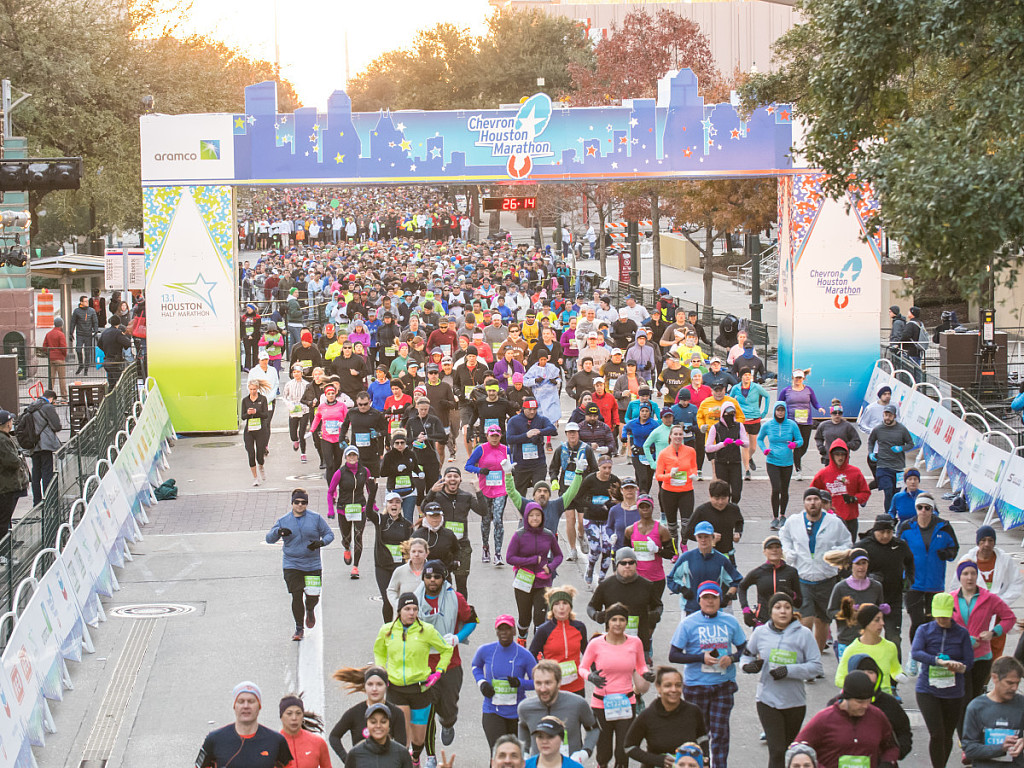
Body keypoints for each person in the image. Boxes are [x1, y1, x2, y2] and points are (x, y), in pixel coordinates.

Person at [668, 581, 747, 768]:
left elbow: (746, 649)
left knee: (720, 734)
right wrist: (700, 658)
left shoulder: (730, 621)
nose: (710, 601)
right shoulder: (689, 623)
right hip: (696, 686)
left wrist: (732, 658)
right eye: (706, 598)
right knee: (698, 735)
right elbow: (674, 655)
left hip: (723, 685)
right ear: (699, 600)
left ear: (720, 600)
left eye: (714, 597)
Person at [740, 592, 824, 768]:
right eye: (778, 607)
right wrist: (748, 666)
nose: (783, 611)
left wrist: (789, 670)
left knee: (789, 751)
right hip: (767, 700)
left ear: (792, 610)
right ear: (771, 611)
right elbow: (746, 656)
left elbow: (816, 667)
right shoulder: (760, 633)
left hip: (795, 702)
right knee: (777, 751)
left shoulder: (804, 634)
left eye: (787, 607)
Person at [373, 592, 453, 767]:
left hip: (420, 690)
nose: (411, 613)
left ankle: (415, 758)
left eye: (415, 609)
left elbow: (447, 650)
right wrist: (381, 670)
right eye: (407, 609)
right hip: (396, 689)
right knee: (402, 737)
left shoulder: (426, 630)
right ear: (399, 610)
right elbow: (379, 651)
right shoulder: (387, 630)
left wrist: (439, 671)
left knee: (418, 739)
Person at [415, 560, 478, 761]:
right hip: (424, 666)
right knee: (427, 712)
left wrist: (457, 638)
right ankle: (430, 756)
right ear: (423, 578)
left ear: (443, 578)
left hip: (450, 664)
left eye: (437, 577)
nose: (432, 580)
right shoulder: (413, 600)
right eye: (428, 576)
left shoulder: (455, 598)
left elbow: (471, 621)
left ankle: (448, 723)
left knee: (448, 708)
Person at [580, 603, 652, 768]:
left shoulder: (635, 642)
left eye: (621, 620)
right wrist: (590, 676)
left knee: (623, 750)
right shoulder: (596, 643)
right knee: (603, 751)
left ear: (626, 622)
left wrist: (646, 674)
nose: (618, 624)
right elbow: (582, 667)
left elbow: (641, 665)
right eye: (614, 620)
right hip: (601, 703)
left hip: (626, 702)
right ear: (608, 622)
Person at [779, 488, 851, 651]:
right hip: (802, 579)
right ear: (804, 503)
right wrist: (788, 552)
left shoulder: (834, 522)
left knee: (823, 620)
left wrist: (836, 555)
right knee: (805, 620)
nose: (813, 503)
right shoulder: (794, 521)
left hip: (826, 579)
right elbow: (784, 536)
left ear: (821, 503)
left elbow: (847, 542)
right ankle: (804, 655)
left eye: (816, 499)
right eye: (809, 499)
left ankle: (816, 657)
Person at [951, 558, 1016, 733]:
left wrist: (993, 633)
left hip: (981, 657)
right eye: (965, 574)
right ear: (959, 577)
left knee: (976, 699)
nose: (969, 577)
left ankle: (975, 733)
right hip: (959, 657)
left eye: (973, 573)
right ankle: (965, 738)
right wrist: (962, 640)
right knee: (963, 698)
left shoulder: (989, 598)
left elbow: (1009, 618)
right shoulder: (951, 599)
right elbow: (943, 624)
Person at [911, 592, 974, 768]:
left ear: (952, 613)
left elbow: (969, 662)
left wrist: (960, 667)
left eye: (945, 617)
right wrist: (937, 661)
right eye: (938, 616)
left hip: (953, 691)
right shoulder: (924, 630)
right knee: (937, 734)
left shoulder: (962, 633)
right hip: (928, 690)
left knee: (947, 734)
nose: (941, 620)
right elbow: (916, 652)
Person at [896, 492, 959, 664]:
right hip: (913, 584)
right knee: (917, 622)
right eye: (920, 507)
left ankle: (930, 657)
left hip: (934, 583)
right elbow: (897, 550)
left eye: (927, 508)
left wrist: (945, 554)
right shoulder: (906, 527)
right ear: (916, 509)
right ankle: (915, 656)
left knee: (932, 622)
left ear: (932, 509)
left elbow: (954, 549)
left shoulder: (944, 527)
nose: (923, 511)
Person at [266, 488, 334, 641]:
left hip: (312, 564)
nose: (300, 505)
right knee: (296, 596)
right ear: (292, 503)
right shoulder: (283, 520)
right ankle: (299, 628)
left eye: (303, 502)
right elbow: (269, 539)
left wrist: (321, 542)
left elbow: (329, 534)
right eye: (297, 502)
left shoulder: (315, 518)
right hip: (292, 564)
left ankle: (310, 609)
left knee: (313, 597)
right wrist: (278, 532)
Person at [796, 670, 899, 768]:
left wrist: (887, 763)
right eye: (859, 702)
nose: (865, 706)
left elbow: (891, 747)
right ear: (846, 697)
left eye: (868, 701)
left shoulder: (877, 717)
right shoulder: (824, 719)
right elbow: (797, 748)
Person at [955, 524, 1024, 659]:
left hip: (997, 614)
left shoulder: (1005, 560)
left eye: (990, 540)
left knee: (996, 651)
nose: (987, 544)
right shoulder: (967, 561)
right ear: (978, 542)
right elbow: (955, 587)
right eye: (983, 540)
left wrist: (1000, 601)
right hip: (974, 615)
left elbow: (1016, 583)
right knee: (973, 649)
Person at [472, 615, 538, 751]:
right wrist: (482, 683)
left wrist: (520, 683)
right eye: (500, 629)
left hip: (517, 712)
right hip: (492, 710)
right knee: (497, 752)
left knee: (516, 754)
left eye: (507, 629)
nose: (504, 632)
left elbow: (538, 682)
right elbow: (476, 666)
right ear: (496, 631)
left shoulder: (525, 655)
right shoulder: (485, 650)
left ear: (514, 631)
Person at [623, 665, 710, 767]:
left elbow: (702, 737)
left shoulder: (693, 711)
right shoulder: (647, 716)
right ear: (658, 687)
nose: (674, 689)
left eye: (678, 685)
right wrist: (656, 760)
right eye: (668, 685)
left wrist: (704, 759)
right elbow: (629, 747)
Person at [588, 546, 664, 661]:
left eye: (631, 562)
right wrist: (596, 615)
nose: (627, 566)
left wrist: (656, 615)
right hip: (614, 643)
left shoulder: (647, 585)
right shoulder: (606, 585)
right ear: (617, 565)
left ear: (636, 564)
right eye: (623, 563)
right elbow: (591, 607)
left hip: (640, 643)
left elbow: (658, 605)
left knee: (640, 672)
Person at [855, 514, 914, 656]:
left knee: (894, 638)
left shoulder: (900, 546)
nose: (885, 536)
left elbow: (910, 561)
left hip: (893, 598)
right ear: (875, 530)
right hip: (869, 599)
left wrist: (908, 580)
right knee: (867, 636)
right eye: (881, 532)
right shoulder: (863, 546)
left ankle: (895, 667)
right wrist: (867, 578)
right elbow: (848, 569)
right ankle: (866, 664)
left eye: (889, 532)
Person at [197, 682, 293, 768]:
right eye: (241, 701)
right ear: (234, 706)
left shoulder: (276, 741)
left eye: (251, 701)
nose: (246, 706)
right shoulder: (214, 739)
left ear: (259, 706)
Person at [506, 502, 564, 644]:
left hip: (542, 582)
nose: (535, 518)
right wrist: (531, 560)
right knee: (524, 617)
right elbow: (510, 558)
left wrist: (551, 567)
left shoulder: (548, 535)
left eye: (538, 515)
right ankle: (522, 638)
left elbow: (559, 555)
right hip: (523, 581)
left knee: (540, 617)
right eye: (531, 515)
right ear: (526, 517)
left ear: (542, 517)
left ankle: (538, 647)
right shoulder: (519, 535)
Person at [518, 660, 598, 762]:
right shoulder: (525, 708)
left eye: (548, 683)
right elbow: (523, 727)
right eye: (538, 683)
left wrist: (585, 752)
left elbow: (593, 728)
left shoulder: (578, 704)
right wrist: (524, 753)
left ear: (559, 682)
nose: (543, 689)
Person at [422, 466, 480, 597]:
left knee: (461, 584)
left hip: (462, 546)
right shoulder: (438, 496)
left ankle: (461, 609)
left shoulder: (466, 496)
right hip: (444, 546)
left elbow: (483, 511)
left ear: (460, 480)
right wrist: (431, 492)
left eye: (456, 476)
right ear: (444, 479)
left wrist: (478, 490)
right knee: (444, 583)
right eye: (449, 476)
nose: (452, 479)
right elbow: (424, 508)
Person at [330, 666, 408, 761]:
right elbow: (334, 737)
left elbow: (401, 746)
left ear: (386, 685)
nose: (374, 689)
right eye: (370, 684)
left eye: (379, 684)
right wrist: (348, 761)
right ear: (365, 686)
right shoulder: (354, 713)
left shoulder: (397, 713)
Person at [667, 521, 742, 615]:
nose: (703, 540)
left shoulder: (721, 560)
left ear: (712, 537)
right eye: (700, 537)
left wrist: (727, 596)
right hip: (690, 609)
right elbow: (671, 579)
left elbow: (737, 580)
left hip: (714, 610)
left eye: (706, 536)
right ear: (696, 538)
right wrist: (682, 589)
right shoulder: (687, 558)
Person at [962, 656, 1024, 768]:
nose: (1014, 688)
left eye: (1017, 683)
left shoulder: (1021, 704)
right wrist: (1001, 748)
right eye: (1009, 683)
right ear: (995, 678)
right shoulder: (976, 707)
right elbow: (969, 749)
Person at [825, 548, 886, 660]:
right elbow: (830, 612)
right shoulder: (840, 587)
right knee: (847, 671)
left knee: (868, 670)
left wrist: (882, 610)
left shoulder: (876, 587)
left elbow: (878, 611)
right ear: (851, 565)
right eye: (857, 564)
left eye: (864, 563)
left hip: (869, 640)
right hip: (847, 639)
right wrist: (847, 613)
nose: (861, 567)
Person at [549, 422, 598, 561]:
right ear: (566, 434)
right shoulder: (561, 449)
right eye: (570, 432)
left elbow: (594, 469)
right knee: (570, 519)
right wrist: (554, 480)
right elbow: (553, 468)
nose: (572, 435)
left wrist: (592, 486)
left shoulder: (586, 449)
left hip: (583, 491)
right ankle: (572, 549)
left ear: (578, 433)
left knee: (582, 521)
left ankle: (581, 536)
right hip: (566, 489)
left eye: (574, 432)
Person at [529, 588, 589, 696]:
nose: (561, 607)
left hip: (576, 685)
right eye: (556, 604)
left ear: (570, 606)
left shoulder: (579, 627)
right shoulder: (544, 630)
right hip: (552, 687)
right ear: (552, 608)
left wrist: (596, 672)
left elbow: (588, 652)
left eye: (565, 603)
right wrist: (542, 673)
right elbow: (531, 655)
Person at [466, 424, 511, 566]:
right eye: (492, 436)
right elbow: (468, 465)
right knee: (486, 520)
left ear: (500, 436)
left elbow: (513, 463)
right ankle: (485, 547)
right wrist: (480, 470)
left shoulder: (506, 450)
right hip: (485, 490)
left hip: (501, 490)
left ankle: (498, 553)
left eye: (497, 436)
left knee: (498, 520)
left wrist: (511, 470)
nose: (494, 438)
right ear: (487, 436)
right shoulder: (481, 449)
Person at [834, 604, 904, 696]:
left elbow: (895, 669)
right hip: (861, 698)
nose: (882, 623)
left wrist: (899, 675)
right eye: (877, 620)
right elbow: (839, 679)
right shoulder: (851, 650)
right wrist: (859, 685)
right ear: (866, 623)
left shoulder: (890, 647)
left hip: (885, 697)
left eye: (882, 619)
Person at [811, 439, 870, 541]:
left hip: (850, 518)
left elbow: (865, 492)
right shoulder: (823, 473)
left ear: (847, 455)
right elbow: (812, 494)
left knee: (849, 547)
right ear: (832, 455)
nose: (840, 457)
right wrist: (821, 504)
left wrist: (854, 498)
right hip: (829, 519)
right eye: (837, 454)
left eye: (842, 454)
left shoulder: (855, 472)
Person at [328, 446, 374, 578]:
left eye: (354, 455)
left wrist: (373, 505)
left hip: (360, 508)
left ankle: (355, 567)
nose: (352, 458)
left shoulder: (364, 471)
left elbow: (370, 489)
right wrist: (331, 509)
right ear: (346, 457)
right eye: (349, 455)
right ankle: (347, 547)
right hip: (344, 509)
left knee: (358, 536)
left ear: (358, 457)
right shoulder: (340, 473)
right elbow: (330, 491)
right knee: (346, 537)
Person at [738, 535, 802, 627]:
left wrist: (792, 595)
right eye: (770, 547)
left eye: (777, 547)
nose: (774, 550)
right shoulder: (758, 572)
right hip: (762, 622)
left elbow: (799, 602)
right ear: (764, 552)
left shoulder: (791, 572)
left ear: (781, 550)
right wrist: (746, 610)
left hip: (785, 623)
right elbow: (742, 587)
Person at [757, 402, 802, 530]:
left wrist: (794, 444)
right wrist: (764, 449)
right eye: (778, 410)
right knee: (776, 488)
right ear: (775, 411)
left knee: (784, 489)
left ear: (785, 411)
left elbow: (800, 440)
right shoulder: (768, 425)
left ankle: (783, 515)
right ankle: (775, 517)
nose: (780, 413)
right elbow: (760, 439)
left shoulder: (792, 424)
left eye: (782, 410)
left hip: (787, 462)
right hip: (772, 461)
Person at [654, 424, 698, 545]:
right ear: (670, 436)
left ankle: (684, 544)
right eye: (675, 434)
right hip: (669, 492)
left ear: (683, 436)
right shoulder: (664, 453)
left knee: (686, 524)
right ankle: (674, 550)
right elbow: (658, 476)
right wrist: (670, 475)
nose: (678, 436)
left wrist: (694, 475)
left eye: (680, 434)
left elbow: (694, 467)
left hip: (686, 491)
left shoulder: (690, 451)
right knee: (672, 526)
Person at [776, 370, 825, 480]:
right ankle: (798, 470)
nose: (798, 380)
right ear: (792, 378)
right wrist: (779, 417)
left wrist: (820, 408)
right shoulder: (786, 391)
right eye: (796, 378)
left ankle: (794, 458)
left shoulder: (808, 390)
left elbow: (815, 402)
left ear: (803, 379)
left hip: (806, 422)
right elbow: (779, 403)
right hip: (792, 423)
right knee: (797, 445)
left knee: (804, 446)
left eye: (800, 378)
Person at [866, 404, 915, 512]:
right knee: (887, 491)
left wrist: (901, 448)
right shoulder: (878, 429)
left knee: (896, 493)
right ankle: (888, 515)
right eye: (886, 415)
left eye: (890, 415)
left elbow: (911, 444)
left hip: (898, 467)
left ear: (894, 416)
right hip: (883, 466)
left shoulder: (901, 429)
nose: (887, 418)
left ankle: (893, 513)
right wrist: (870, 453)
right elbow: (871, 441)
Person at [681, 479, 744, 563]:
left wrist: (738, 532)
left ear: (728, 497)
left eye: (723, 498)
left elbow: (739, 521)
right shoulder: (702, 511)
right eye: (716, 499)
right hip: (708, 555)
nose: (720, 502)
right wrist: (707, 537)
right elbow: (688, 532)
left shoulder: (733, 509)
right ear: (710, 497)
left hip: (728, 554)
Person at [506, 399, 558, 496]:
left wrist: (539, 431)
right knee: (519, 495)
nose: (532, 412)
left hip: (538, 464)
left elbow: (553, 430)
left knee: (540, 492)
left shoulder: (541, 419)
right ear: (524, 408)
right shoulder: (514, 421)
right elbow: (509, 439)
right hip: (521, 464)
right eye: (529, 409)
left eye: (535, 409)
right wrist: (526, 435)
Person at [344, 703, 414, 768]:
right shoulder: (355, 754)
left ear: (389, 725)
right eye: (373, 722)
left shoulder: (402, 753)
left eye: (383, 721)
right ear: (367, 725)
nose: (378, 726)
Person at [309, 381, 350, 483]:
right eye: (328, 394)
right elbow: (317, 418)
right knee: (329, 465)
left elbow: (348, 419)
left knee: (337, 463)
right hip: (326, 438)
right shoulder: (322, 406)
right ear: (325, 395)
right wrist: (312, 430)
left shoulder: (342, 406)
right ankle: (331, 487)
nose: (331, 395)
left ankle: (335, 480)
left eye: (332, 393)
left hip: (339, 438)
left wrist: (344, 426)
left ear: (335, 394)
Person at [704, 403, 745, 502]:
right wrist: (723, 444)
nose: (729, 416)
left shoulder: (739, 426)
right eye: (727, 414)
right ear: (722, 413)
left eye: (732, 414)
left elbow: (747, 443)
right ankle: (726, 508)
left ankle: (734, 505)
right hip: (721, 462)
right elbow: (708, 448)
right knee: (723, 491)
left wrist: (741, 442)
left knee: (736, 492)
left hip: (735, 462)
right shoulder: (716, 427)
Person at [26, 389, 61, 505]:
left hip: (33, 444)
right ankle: (49, 501)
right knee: (47, 472)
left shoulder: (31, 406)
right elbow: (57, 426)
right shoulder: (48, 407)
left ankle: (37, 501)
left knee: (36, 474)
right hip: (46, 445)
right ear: (51, 399)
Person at [380, 429, 423, 522]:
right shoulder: (389, 456)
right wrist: (396, 470)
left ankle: (408, 532)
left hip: (409, 491)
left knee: (408, 519)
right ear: (393, 444)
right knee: (392, 518)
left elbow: (415, 467)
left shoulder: (411, 454)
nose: (400, 445)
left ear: (405, 443)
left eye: (402, 443)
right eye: (397, 443)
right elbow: (382, 473)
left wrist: (419, 472)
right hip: (393, 491)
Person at [278, 693, 331, 768]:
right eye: (289, 713)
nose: (294, 718)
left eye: (298, 713)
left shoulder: (318, 742)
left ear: (302, 715)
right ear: (281, 716)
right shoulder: (272, 745)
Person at [0, 410, 28, 542]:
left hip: (7, 485)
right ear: (7, 423)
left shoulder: (5, 437)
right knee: (4, 520)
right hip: (6, 486)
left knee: (5, 519)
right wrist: (19, 458)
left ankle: (8, 544)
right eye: (11, 420)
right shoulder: (2, 440)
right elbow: (12, 461)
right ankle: (4, 549)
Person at [97, 314, 132, 389]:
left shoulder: (105, 332)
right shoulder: (118, 333)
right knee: (119, 384)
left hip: (107, 361)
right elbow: (128, 343)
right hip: (115, 362)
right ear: (119, 323)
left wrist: (106, 350)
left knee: (111, 384)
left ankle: (110, 395)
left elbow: (99, 344)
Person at [42, 316, 68, 401]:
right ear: (61, 325)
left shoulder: (48, 334)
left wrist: (49, 353)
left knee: (51, 379)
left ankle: (50, 398)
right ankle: (64, 396)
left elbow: (44, 347)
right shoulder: (61, 334)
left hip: (51, 359)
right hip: (60, 358)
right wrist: (64, 355)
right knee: (62, 379)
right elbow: (63, 347)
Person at [71, 294, 98, 374]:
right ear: (81, 302)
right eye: (85, 301)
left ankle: (86, 368)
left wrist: (95, 330)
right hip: (80, 334)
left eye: (87, 301)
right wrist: (71, 333)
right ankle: (81, 364)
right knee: (78, 349)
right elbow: (73, 322)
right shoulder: (77, 311)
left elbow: (95, 321)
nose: (87, 302)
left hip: (88, 334)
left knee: (87, 352)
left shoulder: (91, 311)